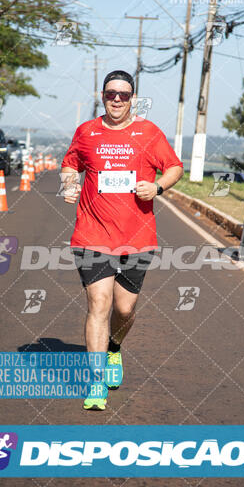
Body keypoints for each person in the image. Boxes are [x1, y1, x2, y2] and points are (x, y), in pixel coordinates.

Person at [61, 70, 183, 410]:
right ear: (102, 95)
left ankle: (114, 349)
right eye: (111, 93)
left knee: (124, 308)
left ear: (132, 98)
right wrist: (69, 185)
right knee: (98, 304)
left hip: (137, 236)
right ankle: (96, 383)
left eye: (124, 95)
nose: (117, 99)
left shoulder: (148, 132)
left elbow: (174, 167)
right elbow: (70, 165)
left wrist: (157, 187)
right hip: (92, 233)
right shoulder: (86, 132)